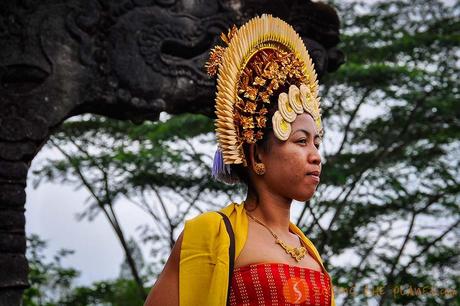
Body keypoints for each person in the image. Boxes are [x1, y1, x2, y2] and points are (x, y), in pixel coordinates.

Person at [145, 14, 335, 306]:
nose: (316, 156)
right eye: (300, 141)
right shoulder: (214, 233)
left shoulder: (310, 251)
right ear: (257, 154)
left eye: (316, 142)